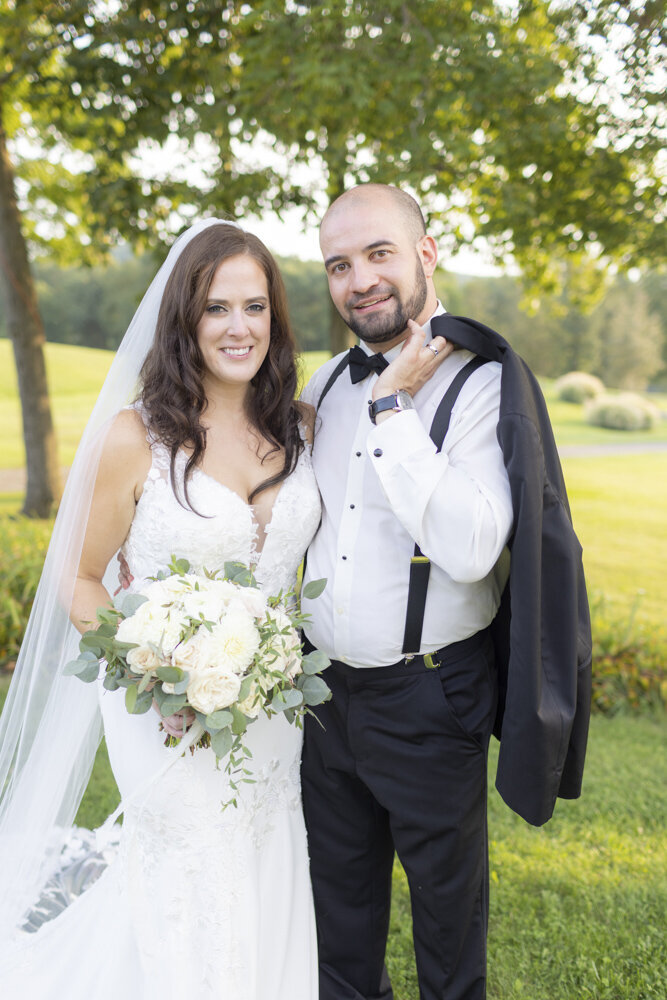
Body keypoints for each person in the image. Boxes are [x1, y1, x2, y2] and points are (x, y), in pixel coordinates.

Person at [0, 221, 322, 998]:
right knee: (191, 867)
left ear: (275, 318)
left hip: (272, 707)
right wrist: (156, 674)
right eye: (216, 308)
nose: (238, 327)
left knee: (264, 853)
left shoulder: (303, 429)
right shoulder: (134, 436)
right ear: (184, 317)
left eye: (254, 307)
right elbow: (81, 579)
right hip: (160, 708)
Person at [299, 183, 592, 1000]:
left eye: (378, 254)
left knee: (447, 928)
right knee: (337, 923)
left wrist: (395, 409)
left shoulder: (483, 385)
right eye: (338, 265)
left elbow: (468, 549)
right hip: (320, 696)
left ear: (425, 253)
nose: (359, 279)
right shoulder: (325, 385)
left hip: (428, 697)